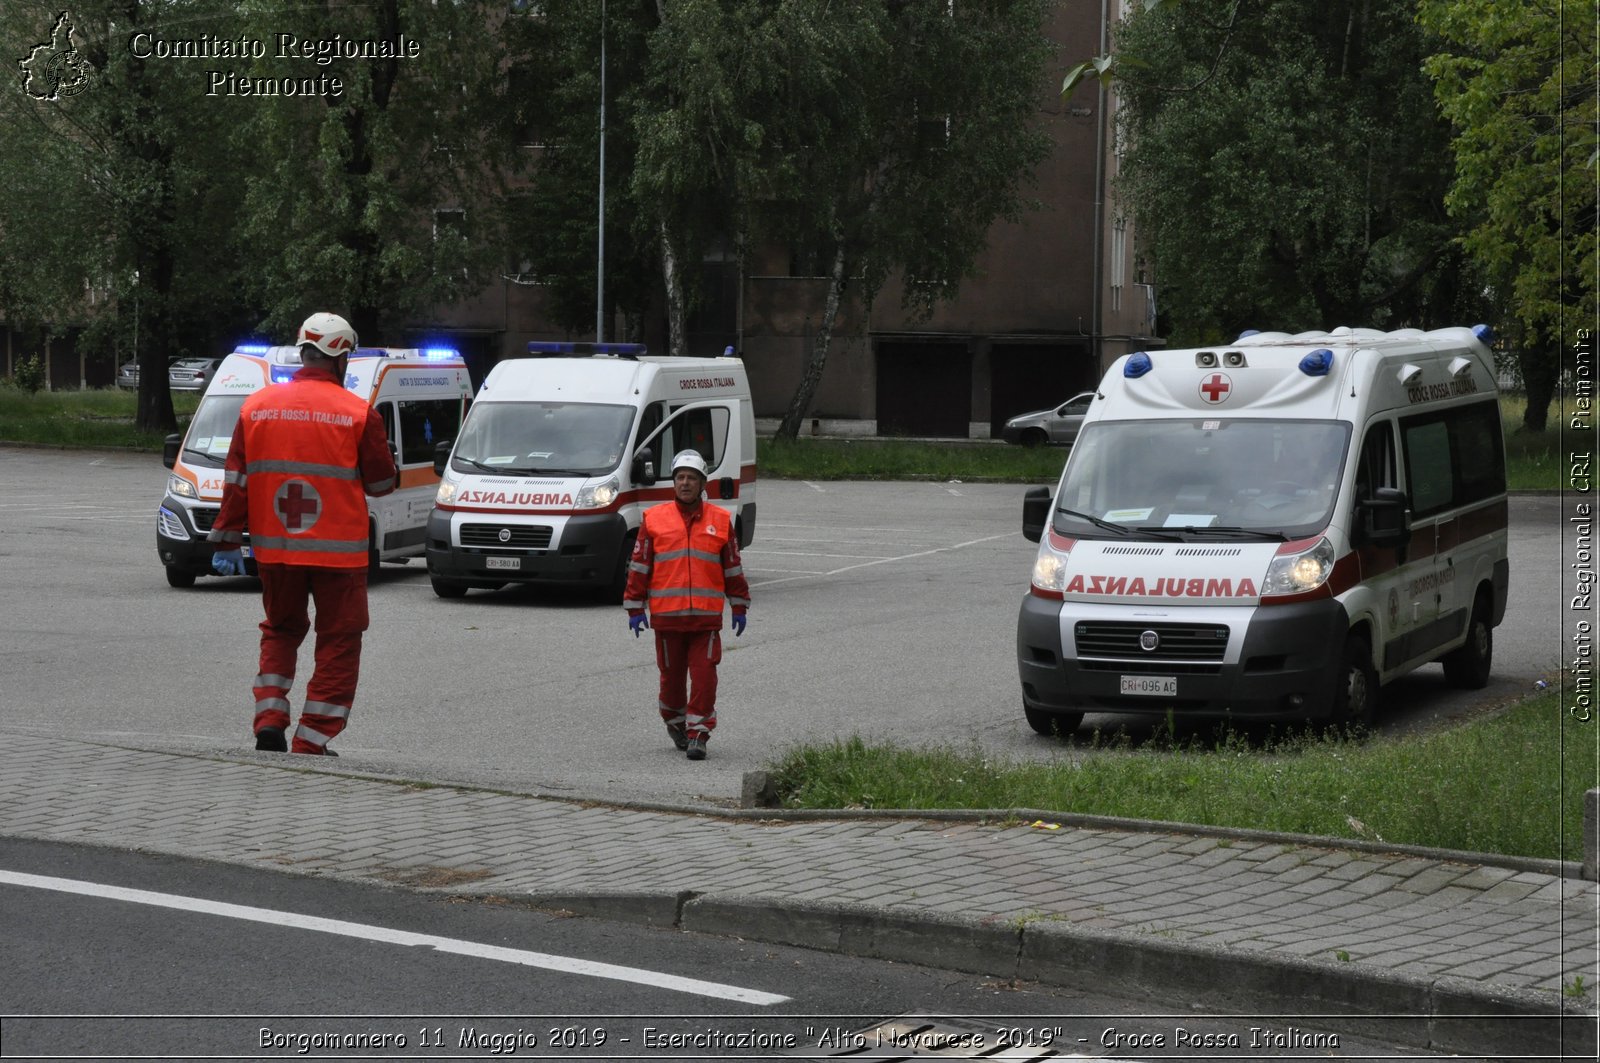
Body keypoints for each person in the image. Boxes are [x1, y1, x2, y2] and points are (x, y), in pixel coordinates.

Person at [207, 312, 397, 756]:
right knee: (338, 641)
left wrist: (228, 536)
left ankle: (269, 721)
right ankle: (311, 742)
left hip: (276, 551)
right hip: (340, 557)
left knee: (280, 630)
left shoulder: (256, 407)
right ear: (342, 356)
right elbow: (381, 484)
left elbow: (237, 479)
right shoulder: (357, 413)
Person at [623, 451, 750, 761]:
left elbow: (732, 566)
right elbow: (639, 565)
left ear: (702, 483)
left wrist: (739, 604)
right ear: (673, 483)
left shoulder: (720, 521)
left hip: (705, 621)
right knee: (671, 680)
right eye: (680, 477)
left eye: (691, 478)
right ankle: (676, 723)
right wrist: (635, 606)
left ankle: (698, 734)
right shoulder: (654, 520)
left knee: (705, 677)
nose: (685, 483)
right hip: (667, 620)